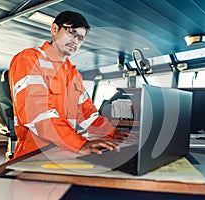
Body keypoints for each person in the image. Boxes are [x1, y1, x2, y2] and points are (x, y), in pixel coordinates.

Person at [9, 11, 130, 159]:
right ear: (54, 29)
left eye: (80, 38)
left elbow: (87, 115)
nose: (75, 41)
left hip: (63, 149)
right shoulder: (29, 59)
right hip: (35, 153)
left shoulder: (72, 73)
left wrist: (112, 133)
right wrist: (78, 144)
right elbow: (38, 114)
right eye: (71, 32)